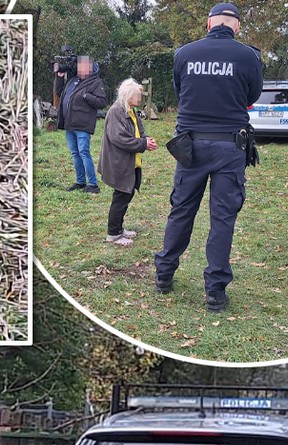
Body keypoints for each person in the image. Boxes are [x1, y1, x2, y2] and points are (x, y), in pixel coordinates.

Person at [153, 2, 263, 313]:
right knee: (223, 219)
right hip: (230, 147)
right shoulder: (247, 56)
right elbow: (252, 95)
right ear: (236, 26)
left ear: (208, 23)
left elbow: (180, 89)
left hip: (190, 147)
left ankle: (164, 274)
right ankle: (215, 290)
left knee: (181, 211)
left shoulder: (184, 54)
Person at [100, 79, 159, 246]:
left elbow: (139, 132)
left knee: (127, 194)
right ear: (128, 96)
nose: (140, 98)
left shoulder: (131, 110)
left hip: (131, 162)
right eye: (137, 95)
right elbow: (119, 138)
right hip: (119, 162)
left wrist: (147, 140)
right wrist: (143, 144)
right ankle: (113, 234)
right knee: (121, 196)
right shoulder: (116, 111)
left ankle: (119, 229)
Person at [55, 55, 107, 194]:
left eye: (82, 65)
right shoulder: (73, 80)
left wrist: (87, 96)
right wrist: (59, 77)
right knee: (75, 153)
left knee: (84, 152)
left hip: (83, 124)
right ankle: (80, 182)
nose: (79, 68)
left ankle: (93, 184)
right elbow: (59, 93)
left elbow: (102, 102)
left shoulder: (95, 82)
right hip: (69, 123)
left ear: (89, 67)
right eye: (79, 65)